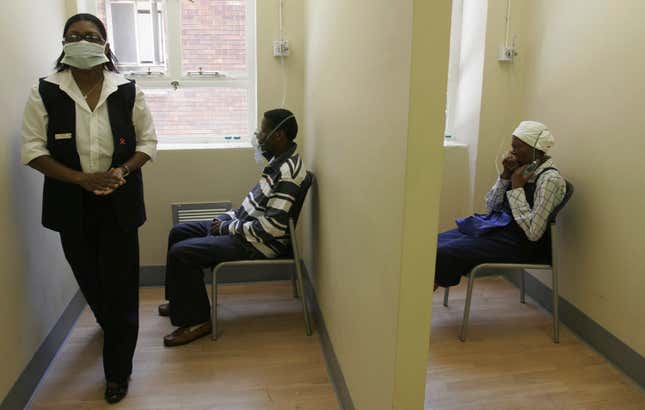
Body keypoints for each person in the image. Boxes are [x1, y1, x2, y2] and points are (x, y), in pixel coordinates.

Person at [21, 14, 157, 404]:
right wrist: (82, 179)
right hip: (70, 204)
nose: (83, 41)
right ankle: (109, 321)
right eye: (74, 36)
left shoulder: (128, 90)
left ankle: (118, 371)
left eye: (91, 36)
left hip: (120, 200)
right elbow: (33, 151)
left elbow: (148, 142)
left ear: (105, 44)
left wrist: (121, 171)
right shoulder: (45, 91)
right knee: (89, 277)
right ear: (64, 44)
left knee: (120, 285)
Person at [160, 109, 306, 347]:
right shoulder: (277, 164)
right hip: (247, 231)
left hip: (261, 243)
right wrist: (224, 219)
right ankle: (181, 302)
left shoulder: (288, 173)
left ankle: (198, 321)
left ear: (279, 136)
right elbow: (250, 208)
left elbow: (273, 228)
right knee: (179, 232)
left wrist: (227, 228)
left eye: (263, 131)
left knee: (182, 253)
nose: (258, 137)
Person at [435, 121, 566, 290]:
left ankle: (415, 311)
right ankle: (412, 309)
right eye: (512, 146)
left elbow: (534, 233)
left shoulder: (550, 180)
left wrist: (517, 188)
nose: (512, 152)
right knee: (434, 244)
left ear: (536, 150)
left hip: (521, 244)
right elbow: (491, 206)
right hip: (499, 229)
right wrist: (505, 176)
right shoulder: (522, 170)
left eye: (517, 147)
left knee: (443, 253)